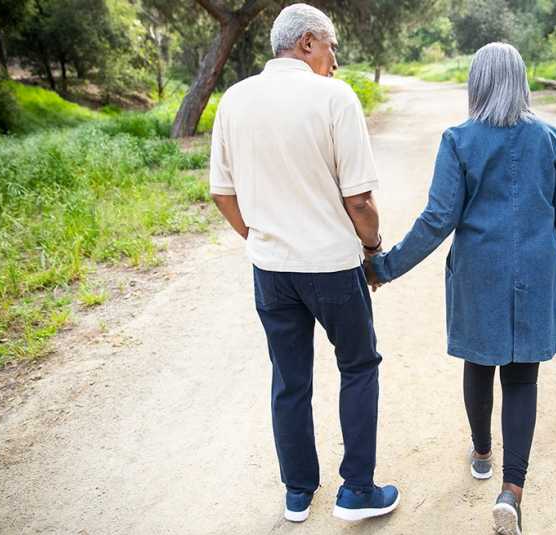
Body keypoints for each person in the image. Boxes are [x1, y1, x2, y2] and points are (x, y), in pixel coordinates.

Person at [366, 42, 556, 535]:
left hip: (479, 274)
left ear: (477, 83)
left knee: (479, 364)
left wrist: (385, 266)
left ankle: (482, 452)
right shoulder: (551, 139)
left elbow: (439, 218)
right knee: (523, 380)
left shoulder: (459, 140)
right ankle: (513, 491)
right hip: (537, 271)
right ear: (522, 82)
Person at [208, 3, 399, 524]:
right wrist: (373, 249)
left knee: (289, 378)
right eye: (332, 47)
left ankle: (297, 493)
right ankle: (356, 491)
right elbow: (359, 200)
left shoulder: (235, 99)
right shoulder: (334, 97)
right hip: (333, 266)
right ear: (309, 42)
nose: (335, 60)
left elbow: (222, 193)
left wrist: (261, 236)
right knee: (358, 367)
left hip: (271, 270)